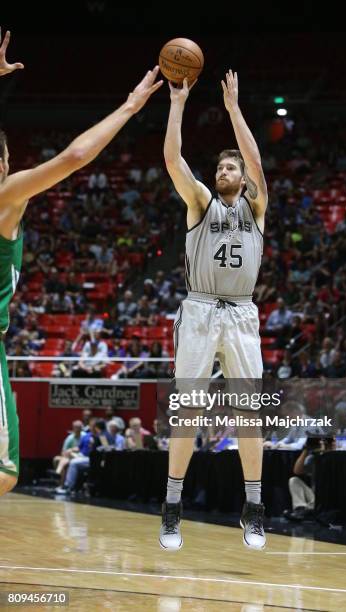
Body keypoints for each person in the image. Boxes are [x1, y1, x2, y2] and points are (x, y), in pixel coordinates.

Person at [0, 28, 162, 497]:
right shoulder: (7, 195)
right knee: (6, 473)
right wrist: (130, 107)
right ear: (7, 163)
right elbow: (74, 155)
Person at [160, 71, 268, 550]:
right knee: (188, 411)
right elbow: (171, 159)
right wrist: (179, 104)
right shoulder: (201, 201)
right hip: (201, 311)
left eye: (232, 168)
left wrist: (233, 109)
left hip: (242, 314)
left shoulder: (257, 208)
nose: (225, 172)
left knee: (251, 415)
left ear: (242, 179)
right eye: (220, 167)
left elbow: (257, 162)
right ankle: (171, 507)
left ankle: (255, 508)